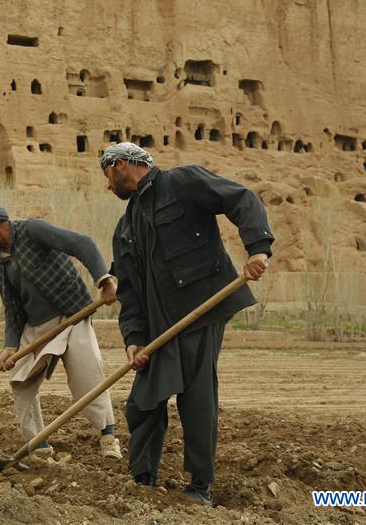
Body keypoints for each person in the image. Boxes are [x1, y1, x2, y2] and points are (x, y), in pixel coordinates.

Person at [100, 143, 273, 506]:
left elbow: (241, 199)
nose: (107, 186)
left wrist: (257, 248)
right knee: (142, 402)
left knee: (195, 398)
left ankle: (200, 485)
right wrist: (133, 339)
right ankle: (142, 479)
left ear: (119, 165)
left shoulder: (181, 182)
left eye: (107, 177)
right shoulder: (125, 228)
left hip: (200, 309)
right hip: (159, 326)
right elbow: (129, 292)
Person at [0, 203, 122, 460]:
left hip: (72, 316)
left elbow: (82, 244)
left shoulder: (33, 230)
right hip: (36, 326)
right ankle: (38, 446)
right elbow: (13, 307)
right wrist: (10, 346)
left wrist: (104, 281)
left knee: (89, 375)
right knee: (21, 382)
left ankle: (108, 437)